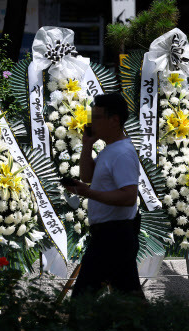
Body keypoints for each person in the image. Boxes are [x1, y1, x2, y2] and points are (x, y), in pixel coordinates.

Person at [63, 93, 144, 299]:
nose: (91, 123)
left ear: (114, 120)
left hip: (114, 235)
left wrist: (87, 192)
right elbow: (87, 176)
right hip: (109, 234)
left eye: (96, 117)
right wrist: (87, 145)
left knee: (83, 298)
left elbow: (128, 197)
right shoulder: (111, 148)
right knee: (128, 299)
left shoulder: (122, 153)